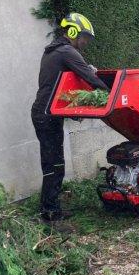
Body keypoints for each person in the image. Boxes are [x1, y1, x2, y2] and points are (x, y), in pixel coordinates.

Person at [31, 12, 108, 224]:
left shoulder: (54, 52)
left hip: (45, 114)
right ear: (73, 32)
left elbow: (61, 88)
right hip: (46, 116)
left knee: (52, 164)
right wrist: (110, 94)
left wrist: (73, 113)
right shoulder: (67, 52)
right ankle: (50, 215)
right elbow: (89, 77)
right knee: (54, 166)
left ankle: (50, 209)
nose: (85, 42)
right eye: (84, 37)